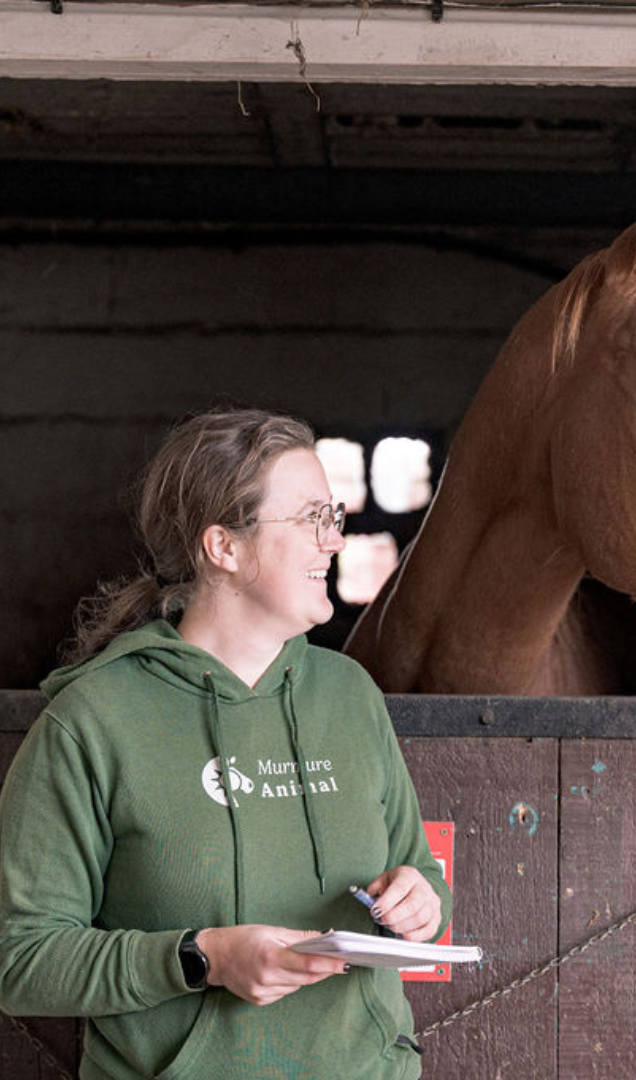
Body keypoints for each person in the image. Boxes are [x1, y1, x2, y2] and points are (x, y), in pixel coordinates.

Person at [0, 408, 451, 1080]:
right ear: (224, 547)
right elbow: (21, 961)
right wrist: (200, 957)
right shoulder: (94, 720)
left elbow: (422, 874)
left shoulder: (351, 695)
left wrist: (424, 901)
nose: (334, 540)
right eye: (309, 519)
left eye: (334, 515)